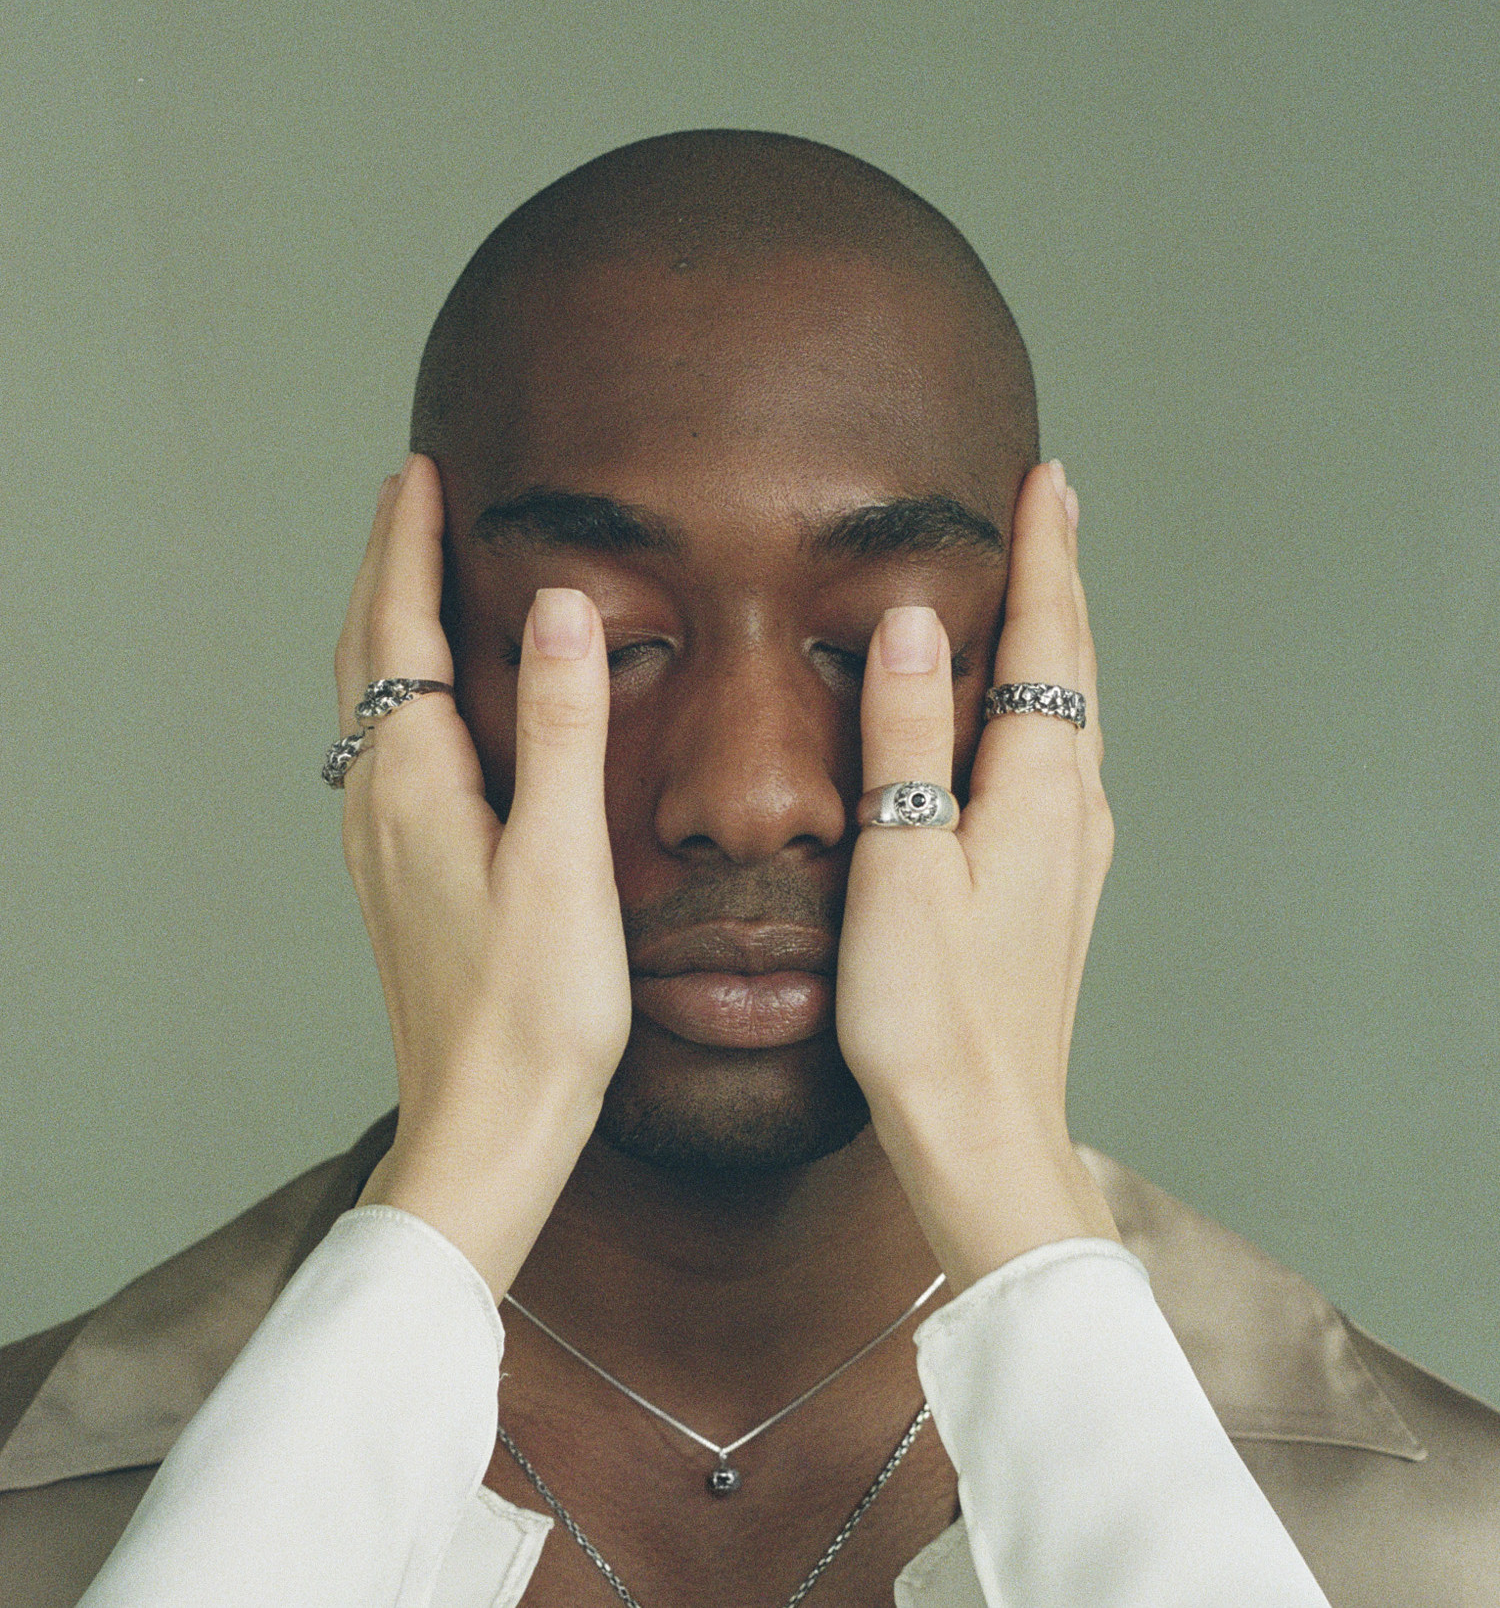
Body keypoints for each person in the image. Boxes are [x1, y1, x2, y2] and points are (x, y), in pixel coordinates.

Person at [0, 131, 1495, 1608]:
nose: (752, 795)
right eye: (606, 645)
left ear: (1045, 674)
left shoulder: (1454, 1546)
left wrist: (1001, 1179)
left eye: (878, 651)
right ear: (416, 668)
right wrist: (466, 1171)